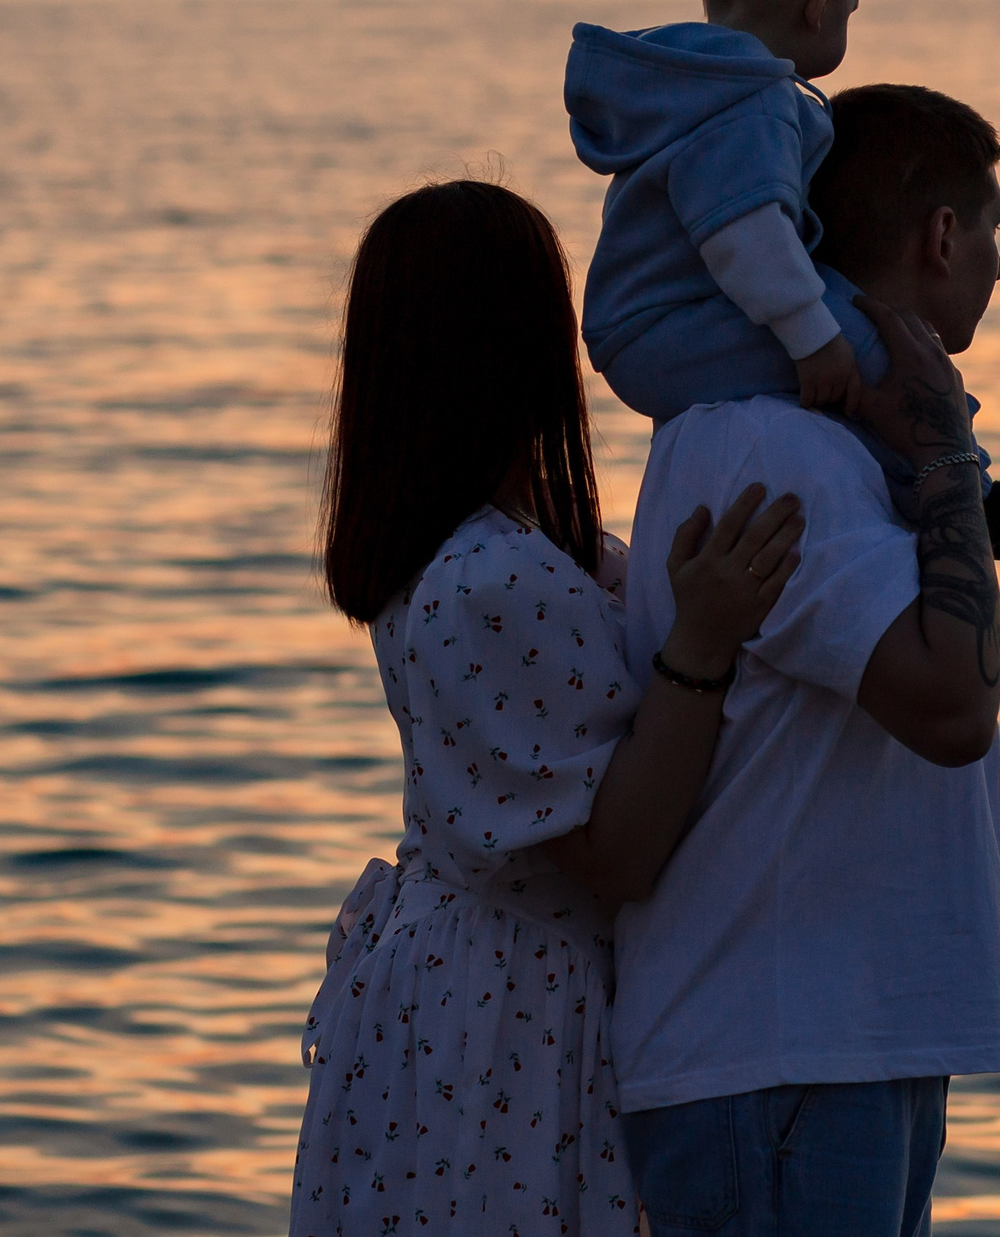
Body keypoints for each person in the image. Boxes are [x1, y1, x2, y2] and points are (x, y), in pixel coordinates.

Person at [289, 179, 808, 1237]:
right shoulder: (488, 581)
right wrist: (700, 643)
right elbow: (613, 854)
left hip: (465, 999)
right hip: (513, 1023)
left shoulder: (491, 553)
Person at [607, 84, 1000, 1236]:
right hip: (778, 1065)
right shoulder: (778, 448)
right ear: (940, 235)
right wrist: (943, 448)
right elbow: (950, 706)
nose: (999, 265)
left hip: (825, 1049)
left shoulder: (819, 444)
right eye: (992, 230)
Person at [563, 0, 1000, 559]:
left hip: (652, 326)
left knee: (850, 328)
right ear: (822, 2)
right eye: (851, 11)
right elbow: (743, 233)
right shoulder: (752, 103)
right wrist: (811, 334)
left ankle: (940, 478)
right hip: (668, 324)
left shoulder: (705, 92)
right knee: (866, 340)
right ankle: (960, 487)